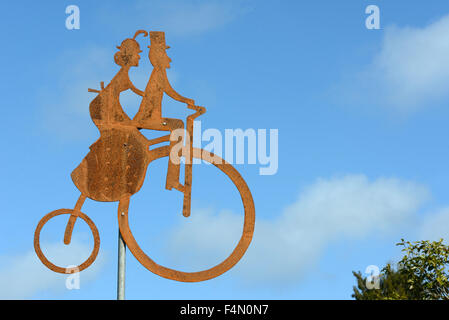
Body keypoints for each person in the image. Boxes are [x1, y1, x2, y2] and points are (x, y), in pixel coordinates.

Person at [71, 30, 150, 202]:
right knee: (134, 138)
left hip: (108, 108)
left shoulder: (124, 74)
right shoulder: (123, 74)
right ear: (130, 55)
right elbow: (129, 92)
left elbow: (134, 91)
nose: (139, 58)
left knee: (134, 137)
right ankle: (112, 179)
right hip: (103, 109)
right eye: (138, 54)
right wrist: (148, 97)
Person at [134, 31, 195, 192]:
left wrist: (187, 102)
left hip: (150, 117)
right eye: (163, 52)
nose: (167, 57)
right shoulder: (159, 73)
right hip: (148, 118)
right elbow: (170, 91)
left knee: (178, 127)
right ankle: (172, 180)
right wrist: (187, 101)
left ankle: (172, 177)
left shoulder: (159, 72)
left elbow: (168, 91)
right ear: (157, 55)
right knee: (178, 128)